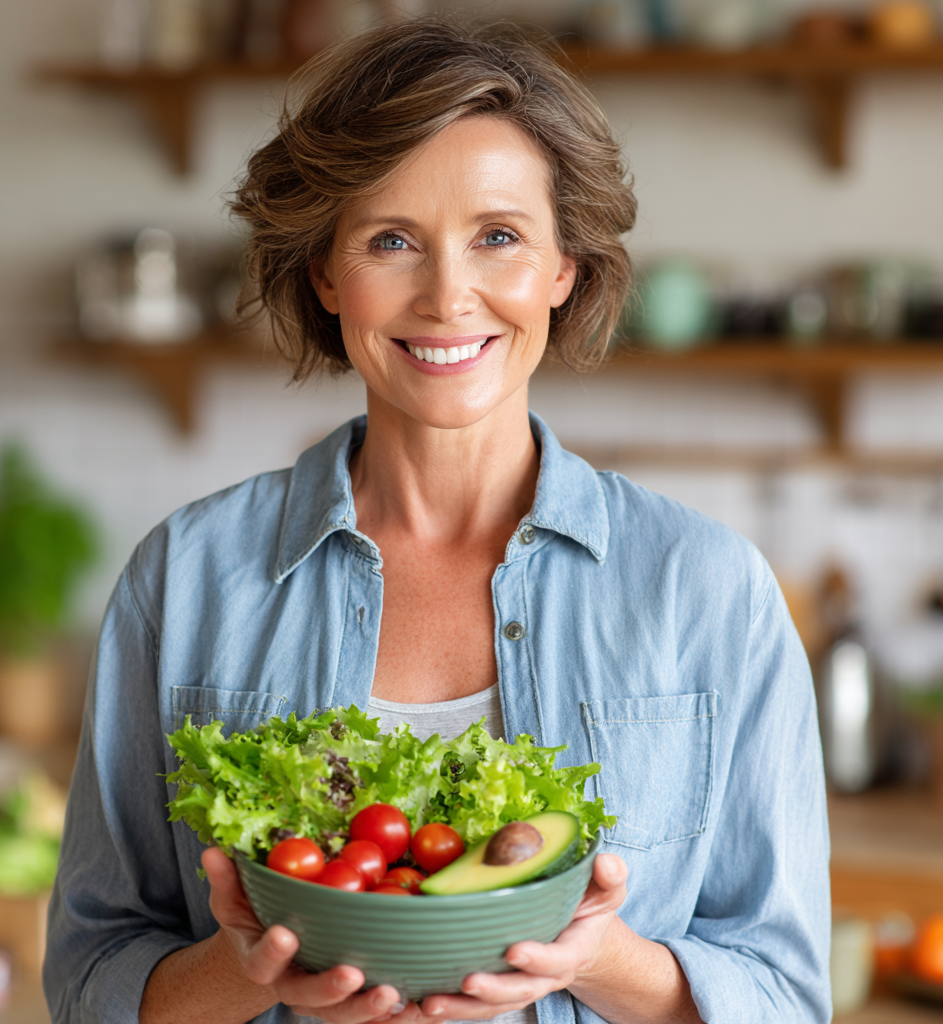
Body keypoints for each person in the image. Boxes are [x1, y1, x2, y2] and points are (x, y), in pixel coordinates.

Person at [44, 18, 831, 1024]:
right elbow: (89, 975)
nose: (448, 295)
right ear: (327, 274)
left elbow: (788, 999)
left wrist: (596, 957)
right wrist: (246, 968)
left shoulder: (708, 588)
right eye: (390, 241)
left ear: (565, 268)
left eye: (497, 237)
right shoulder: (188, 576)